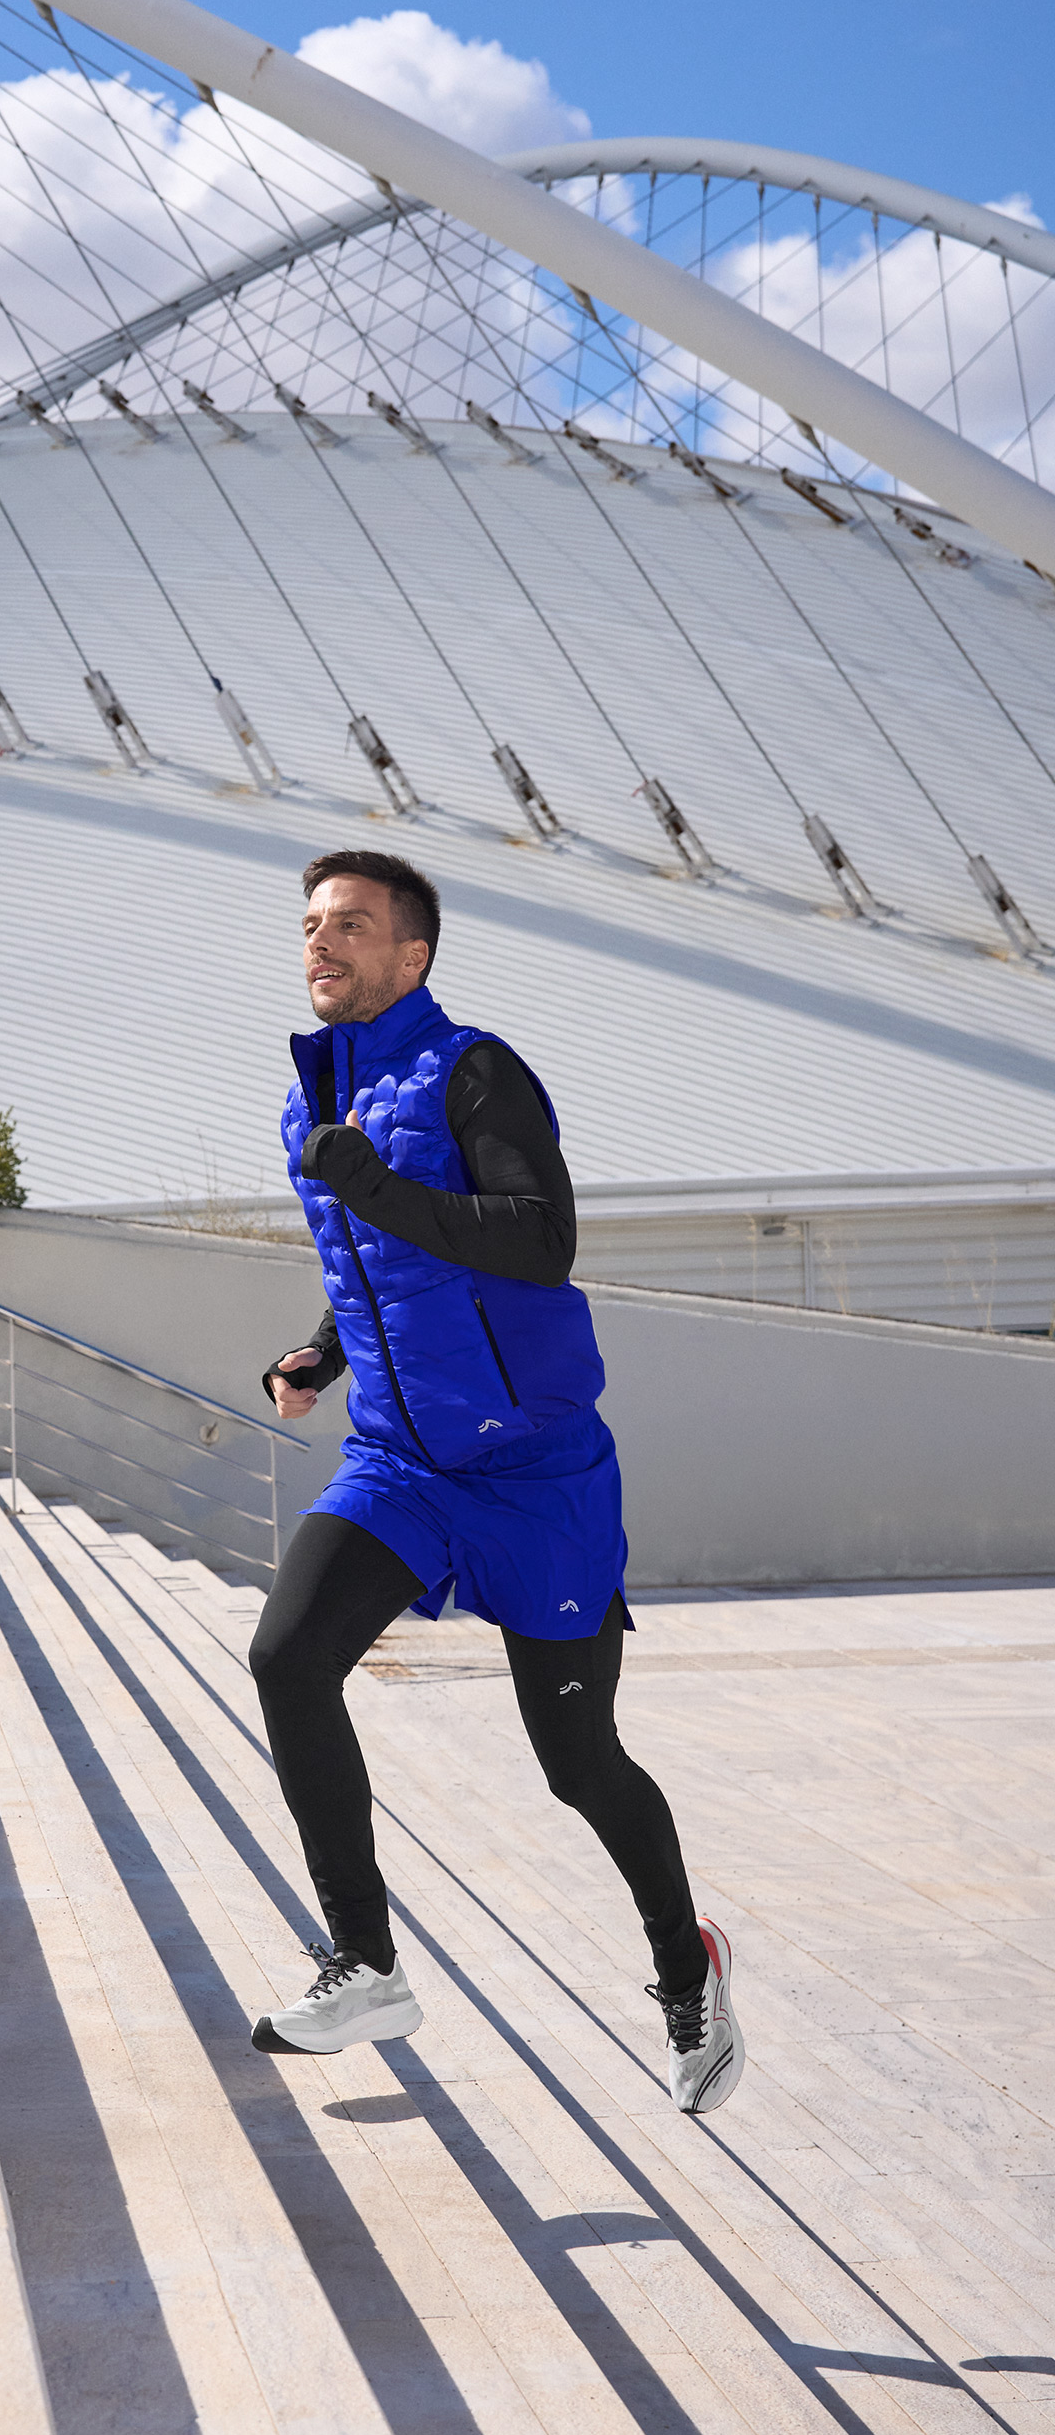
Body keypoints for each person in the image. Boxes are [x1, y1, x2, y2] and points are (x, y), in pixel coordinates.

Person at [249, 848, 743, 2115]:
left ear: (409, 956)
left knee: (579, 1765)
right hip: (405, 1464)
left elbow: (539, 1240)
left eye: (350, 925)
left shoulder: (476, 1071)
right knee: (289, 1656)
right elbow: (378, 1267)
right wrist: (322, 1349)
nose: (321, 942)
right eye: (310, 923)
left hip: (533, 1471)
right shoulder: (312, 1103)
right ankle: (362, 1961)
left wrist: (382, 1188)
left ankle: (685, 1962)